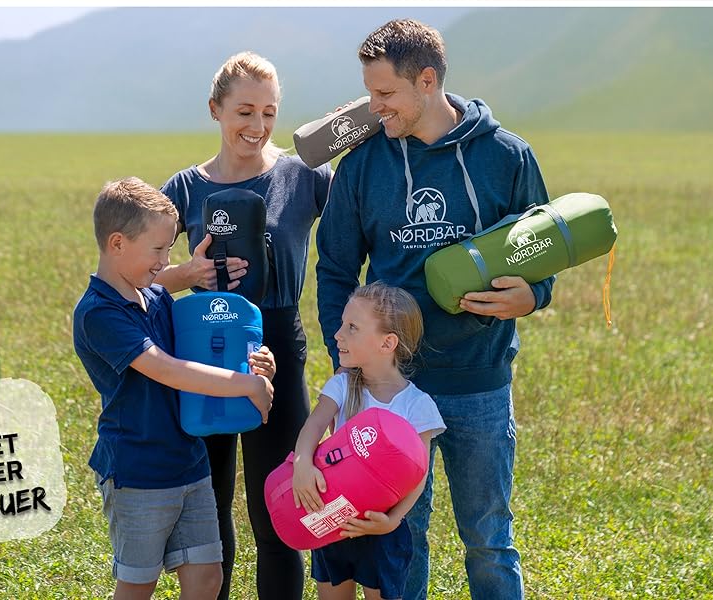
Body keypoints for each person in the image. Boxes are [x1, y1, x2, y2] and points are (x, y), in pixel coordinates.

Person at [315, 19, 553, 599]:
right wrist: (348, 363)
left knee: (489, 539)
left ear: (427, 81)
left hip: (480, 385)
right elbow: (336, 271)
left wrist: (533, 296)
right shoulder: (363, 164)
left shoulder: (507, 156)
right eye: (369, 93)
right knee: (401, 538)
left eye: (385, 94)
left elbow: (543, 253)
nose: (372, 108)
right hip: (392, 391)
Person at [157, 51, 333, 598]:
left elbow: (364, 219)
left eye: (269, 113)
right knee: (210, 511)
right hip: (203, 347)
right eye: (244, 112)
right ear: (215, 110)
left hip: (278, 342)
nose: (257, 127)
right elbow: (135, 277)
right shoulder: (184, 189)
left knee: (278, 505)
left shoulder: (305, 176)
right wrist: (188, 272)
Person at [72, 176, 276, 600]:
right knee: (137, 585)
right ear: (117, 244)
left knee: (207, 579)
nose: (164, 259)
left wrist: (256, 363)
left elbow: (204, 346)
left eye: (168, 249)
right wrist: (244, 386)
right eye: (158, 250)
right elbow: (165, 369)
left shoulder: (155, 297)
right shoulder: (98, 314)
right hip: (138, 469)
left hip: (188, 462)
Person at [290, 283, 446, 600]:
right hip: (332, 518)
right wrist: (302, 462)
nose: (338, 335)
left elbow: (418, 476)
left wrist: (392, 521)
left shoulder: (418, 406)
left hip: (380, 529)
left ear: (387, 343)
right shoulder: (343, 385)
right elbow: (314, 425)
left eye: (352, 328)